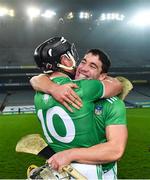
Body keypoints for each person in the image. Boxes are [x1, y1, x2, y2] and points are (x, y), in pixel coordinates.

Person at [32, 37, 123, 179]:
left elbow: (115, 150)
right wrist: (53, 88)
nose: (83, 68)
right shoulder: (86, 89)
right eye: (83, 62)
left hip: (94, 172)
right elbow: (118, 84)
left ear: (103, 76)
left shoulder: (39, 92)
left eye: (93, 66)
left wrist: (51, 87)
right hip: (82, 171)